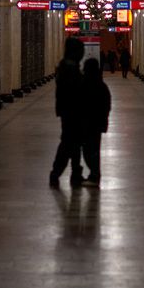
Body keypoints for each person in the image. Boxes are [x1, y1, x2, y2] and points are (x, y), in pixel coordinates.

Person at [49, 37, 85, 188]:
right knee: (68, 143)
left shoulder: (68, 66)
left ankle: (75, 173)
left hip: (70, 110)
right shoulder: (69, 68)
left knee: (75, 143)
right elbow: (73, 90)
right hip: (71, 111)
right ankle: (56, 173)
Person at [80, 57, 111, 188]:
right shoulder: (101, 85)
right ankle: (94, 174)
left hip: (88, 123)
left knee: (89, 150)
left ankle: (95, 175)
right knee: (94, 149)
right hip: (97, 123)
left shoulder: (86, 84)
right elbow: (107, 104)